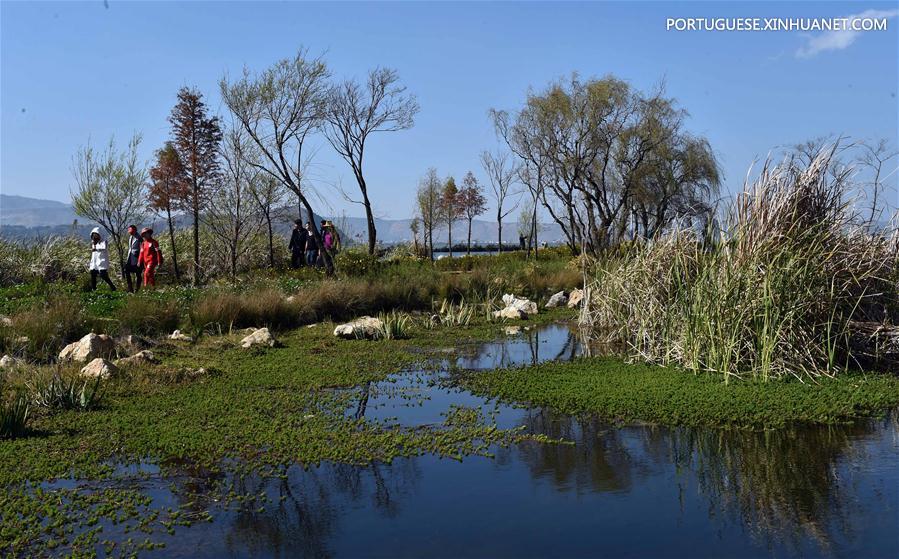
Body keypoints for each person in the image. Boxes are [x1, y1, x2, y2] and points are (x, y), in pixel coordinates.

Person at [89, 227, 116, 291]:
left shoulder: (104, 241)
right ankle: (94, 289)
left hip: (102, 261)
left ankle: (112, 287)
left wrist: (96, 248)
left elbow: (104, 248)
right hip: (94, 262)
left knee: (103, 275)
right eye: (93, 235)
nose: (94, 236)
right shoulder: (93, 242)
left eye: (96, 234)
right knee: (93, 274)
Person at [124, 224, 143, 292]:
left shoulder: (139, 238)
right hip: (130, 258)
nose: (130, 232)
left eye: (131, 231)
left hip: (137, 259)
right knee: (126, 271)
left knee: (138, 274)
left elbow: (142, 249)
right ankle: (130, 288)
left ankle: (137, 289)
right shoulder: (130, 237)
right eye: (129, 231)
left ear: (135, 230)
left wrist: (139, 256)